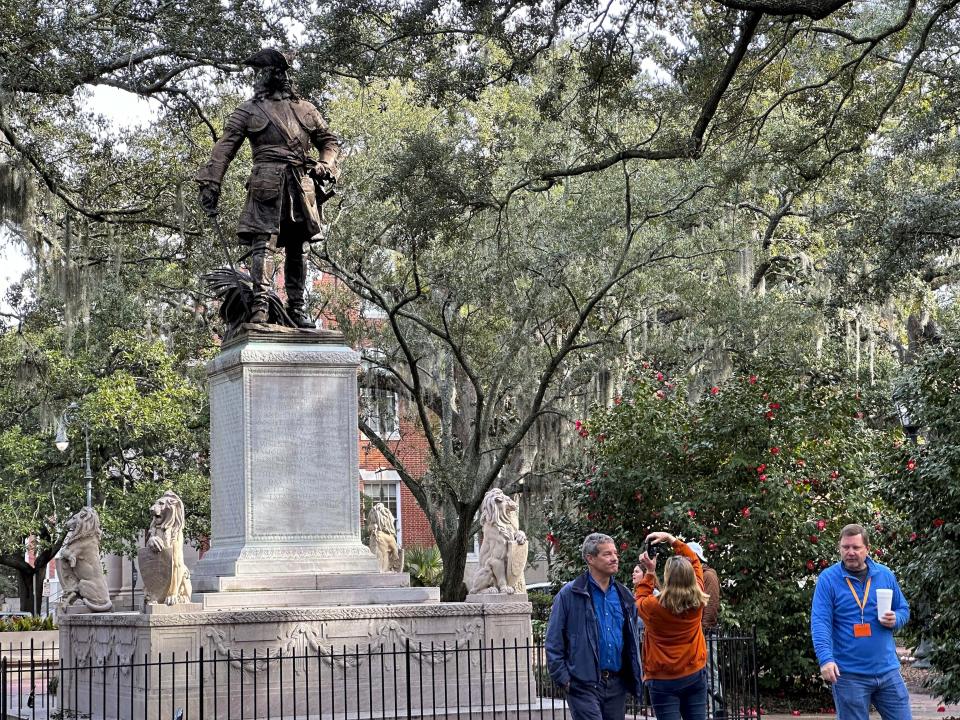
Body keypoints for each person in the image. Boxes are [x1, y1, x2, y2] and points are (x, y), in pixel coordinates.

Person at [197, 47, 340, 328]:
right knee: (264, 244)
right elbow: (224, 148)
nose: (257, 78)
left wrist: (326, 163)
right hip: (266, 183)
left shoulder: (306, 109)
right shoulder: (247, 111)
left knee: (297, 248)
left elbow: (330, 141)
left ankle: (296, 308)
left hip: (300, 184)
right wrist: (211, 182)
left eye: (262, 72)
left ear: (277, 75)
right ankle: (260, 308)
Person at [810, 523, 911, 720]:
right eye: (845, 547)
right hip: (849, 675)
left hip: (887, 671)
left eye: (856, 547)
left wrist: (895, 619)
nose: (850, 552)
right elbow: (820, 622)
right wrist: (826, 659)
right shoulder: (828, 579)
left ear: (867, 549)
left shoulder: (884, 575)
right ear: (839, 548)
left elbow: (903, 609)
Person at [546, 533, 643, 720]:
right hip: (583, 684)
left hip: (616, 684)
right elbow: (553, 641)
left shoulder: (624, 596)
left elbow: (631, 640)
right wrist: (564, 680)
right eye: (607, 554)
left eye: (615, 553)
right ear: (590, 559)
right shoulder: (570, 594)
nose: (614, 558)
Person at [632, 531, 710, 720]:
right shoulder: (698, 598)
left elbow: (640, 598)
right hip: (693, 671)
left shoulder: (654, 607)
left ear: (667, 577)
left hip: (662, 678)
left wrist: (650, 572)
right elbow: (694, 561)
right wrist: (671, 539)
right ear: (691, 577)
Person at [687, 541, 724, 719]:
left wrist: (702, 629)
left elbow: (711, 604)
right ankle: (703, 709)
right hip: (692, 632)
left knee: (710, 671)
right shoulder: (692, 576)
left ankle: (716, 709)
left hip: (705, 632)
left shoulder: (708, 575)